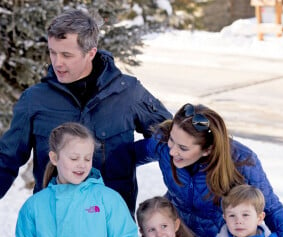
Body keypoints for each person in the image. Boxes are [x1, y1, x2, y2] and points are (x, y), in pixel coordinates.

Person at [0, 9, 172, 216]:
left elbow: (175, 142)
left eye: (66, 55)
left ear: (91, 52)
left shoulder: (128, 93)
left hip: (111, 228)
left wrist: (175, 205)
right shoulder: (34, 100)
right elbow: (6, 159)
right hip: (53, 226)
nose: (57, 62)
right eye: (52, 52)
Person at [134, 103, 283, 237]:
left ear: (208, 149)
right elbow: (127, 155)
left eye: (183, 148)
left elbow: (272, 207)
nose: (172, 150)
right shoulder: (164, 142)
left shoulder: (241, 159)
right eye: (172, 140)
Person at [11, 122, 141, 237]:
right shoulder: (35, 206)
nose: (82, 165)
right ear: (54, 158)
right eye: (74, 158)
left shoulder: (107, 200)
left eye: (87, 159)